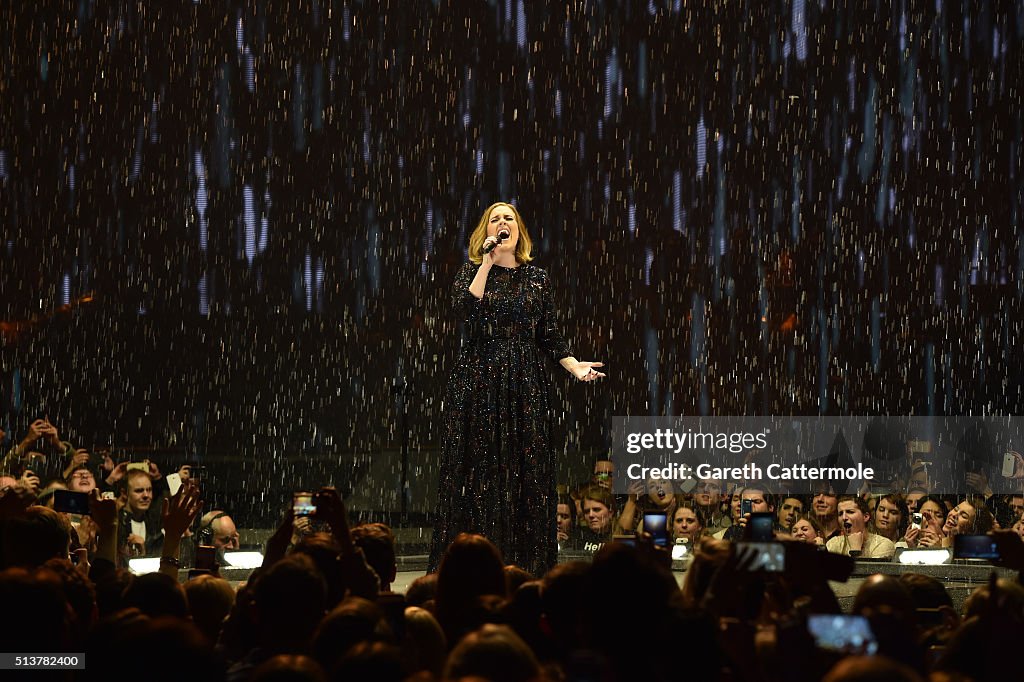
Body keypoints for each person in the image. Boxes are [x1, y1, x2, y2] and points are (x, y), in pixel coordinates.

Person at [428, 202, 605, 576]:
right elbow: (464, 309)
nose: (503, 222)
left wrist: (574, 366)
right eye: (495, 218)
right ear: (485, 231)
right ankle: (476, 565)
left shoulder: (537, 278)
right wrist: (487, 262)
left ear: (519, 230)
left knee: (527, 470)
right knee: (480, 469)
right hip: (479, 379)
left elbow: (549, 335)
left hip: (525, 382)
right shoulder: (473, 272)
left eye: (509, 218)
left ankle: (527, 564)